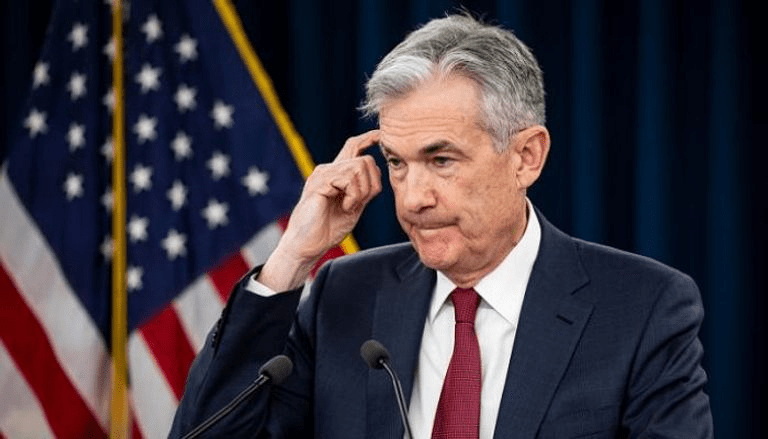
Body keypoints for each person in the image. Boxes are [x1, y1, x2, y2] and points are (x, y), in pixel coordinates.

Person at [170, 13, 713, 439]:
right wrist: (291, 258)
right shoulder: (344, 294)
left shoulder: (642, 308)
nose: (413, 198)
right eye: (397, 162)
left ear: (526, 156)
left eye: (442, 160)